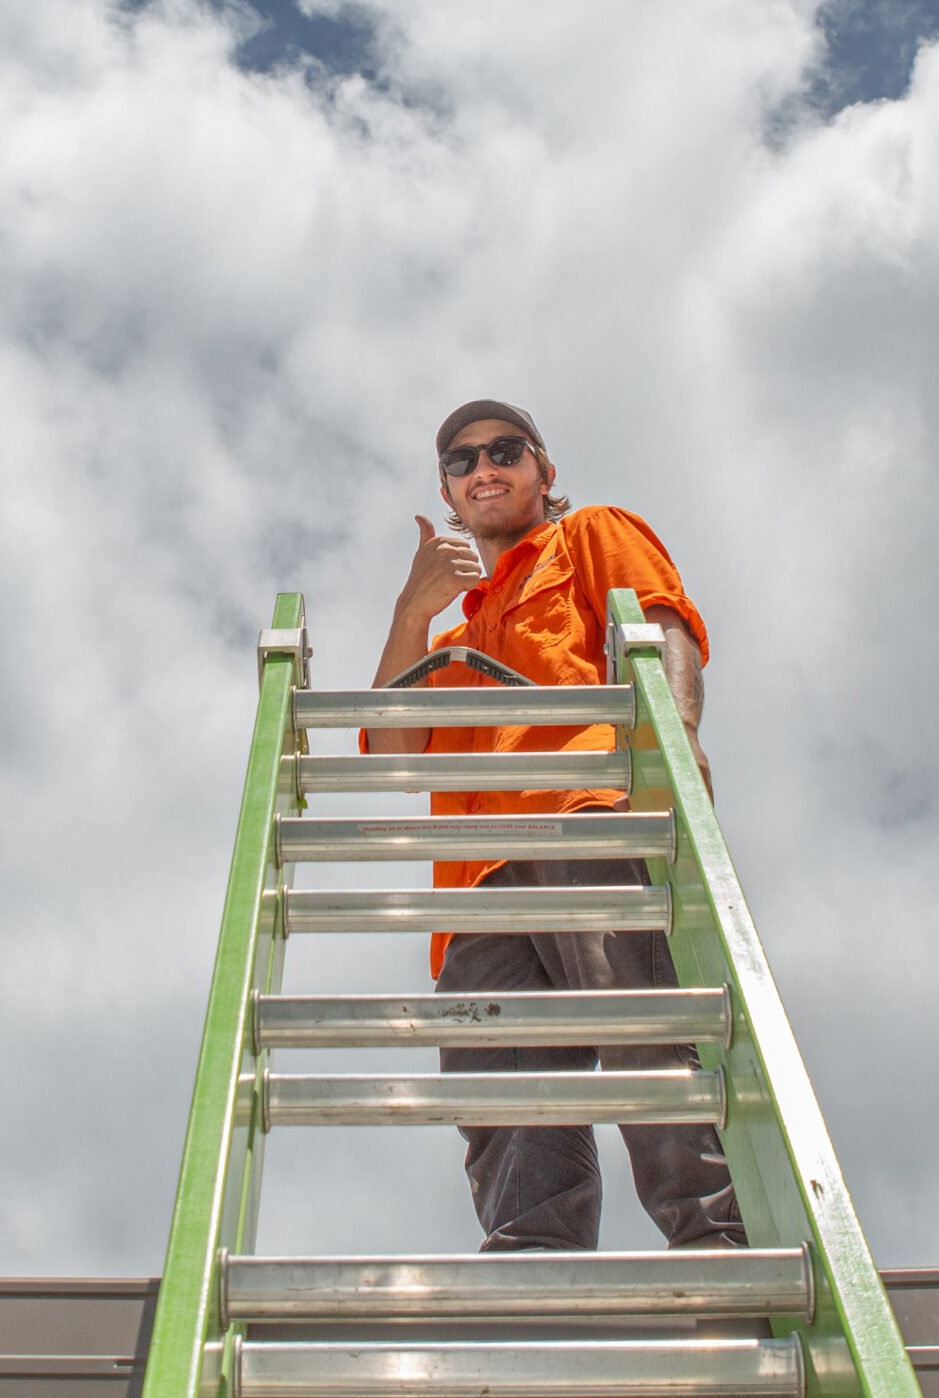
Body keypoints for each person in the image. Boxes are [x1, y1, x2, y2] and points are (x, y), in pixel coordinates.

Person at [370, 398, 743, 1252]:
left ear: (545, 471)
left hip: (585, 825)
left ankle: (722, 1259)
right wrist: (412, 609)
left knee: (646, 1048)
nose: (483, 468)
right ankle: (533, 1287)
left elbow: (662, 625)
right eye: (462, 462)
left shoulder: (590, 535)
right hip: (476, 894)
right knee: (504, 1107)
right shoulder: (451, 637)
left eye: (505, 450)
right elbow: (394, 745)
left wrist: (679, 747)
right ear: (448, 492)